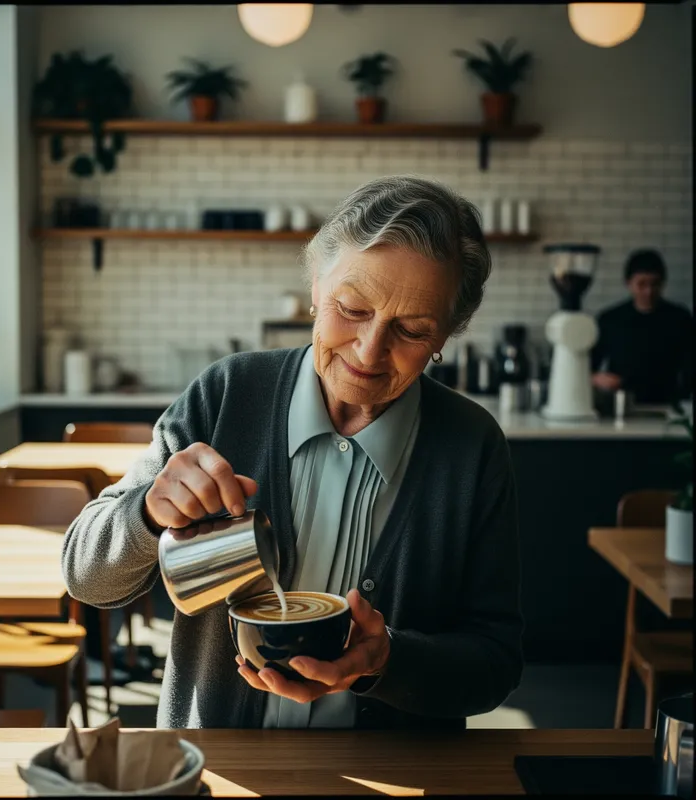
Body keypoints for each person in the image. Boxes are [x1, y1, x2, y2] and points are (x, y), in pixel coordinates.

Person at [62, 175, 523, 731]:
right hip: (223, 769)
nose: (369, 351)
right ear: (314, 285)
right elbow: (86, 577)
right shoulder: (227, 394)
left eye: (411, 329)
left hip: (399, 778)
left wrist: (386, 662)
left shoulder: (471, 447)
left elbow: (495, 662)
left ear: (448, 333)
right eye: (350, 308)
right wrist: (146, 512)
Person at [590, 250, 692, 404]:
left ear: (663, 282)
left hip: (668, 404)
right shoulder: (610, 319)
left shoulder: (680, 318)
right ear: (628, 283)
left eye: (655, 284)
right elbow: (588, 365)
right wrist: (596, 378)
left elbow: (691, 366)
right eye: (642, 284)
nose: (649, 291)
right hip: (621, 403)